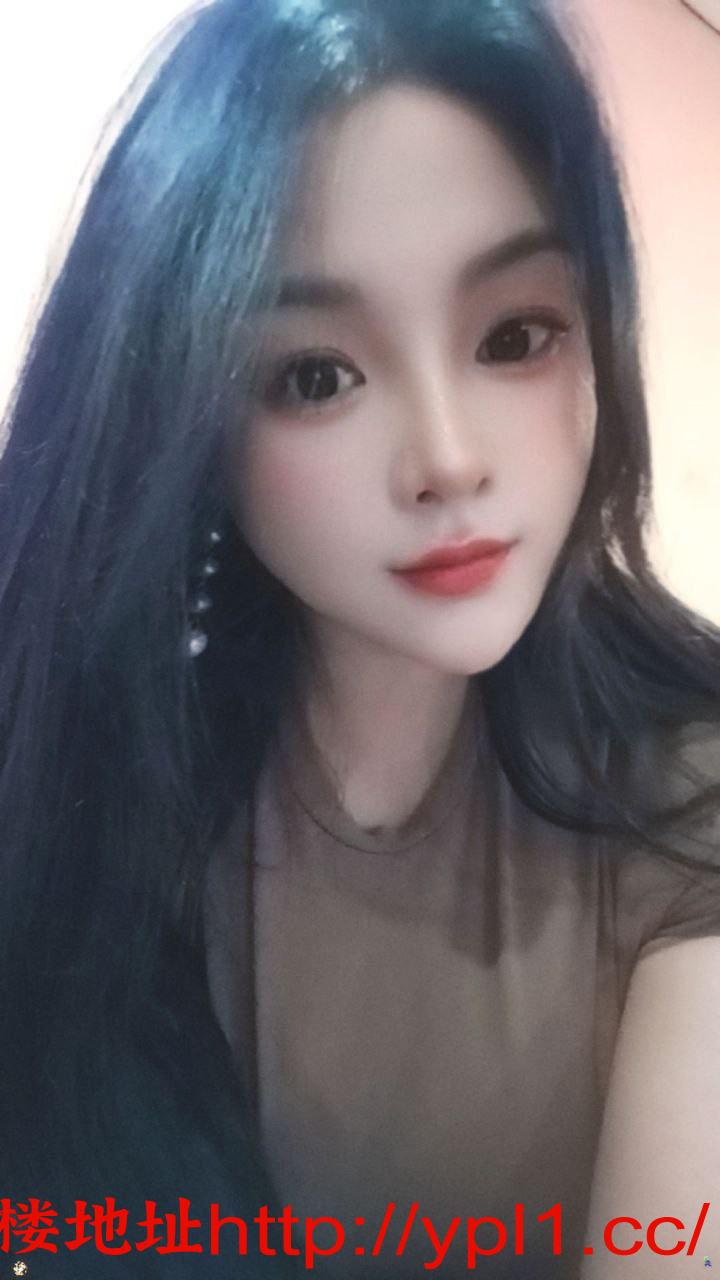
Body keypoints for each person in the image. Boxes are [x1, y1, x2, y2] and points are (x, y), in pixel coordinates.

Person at [1, 0, 719, 1276]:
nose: (447, 457)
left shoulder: (686, 802)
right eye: (315, 375)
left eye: (515, 335)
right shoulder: (97, 804)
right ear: (189, 418)